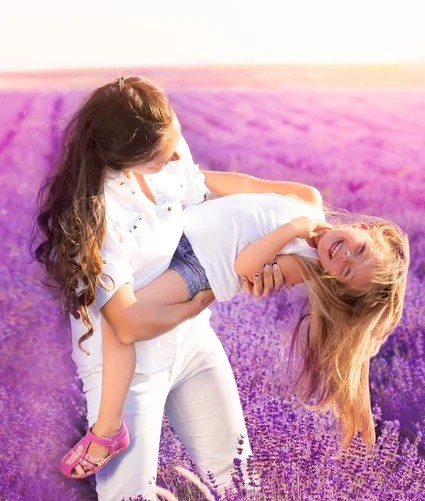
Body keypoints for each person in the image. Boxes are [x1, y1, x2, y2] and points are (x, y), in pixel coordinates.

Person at [32, 76, 286, 501]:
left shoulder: (169, 153)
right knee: (128, 496)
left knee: (240, 483)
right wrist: (209, 293)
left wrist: (291, 207)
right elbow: (127, 326)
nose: (174, 156)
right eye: (159, 157)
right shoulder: (92, 216)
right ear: (122, 160)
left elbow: (205, 193)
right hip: (128, 372)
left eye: (175, 140)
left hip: (191, 342)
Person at [58, 173, 410, 480]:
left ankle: (107, 431)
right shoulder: (309, 197)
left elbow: (244, 265)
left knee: (120, 320)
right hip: (180, 223)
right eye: (359, 249)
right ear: (365, 229)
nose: (344, 257)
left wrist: (297, 229)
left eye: (347, 271)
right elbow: (249, 185)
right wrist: (190, 176)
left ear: (337, 281)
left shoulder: (306, 264)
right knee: (103, 243)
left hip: (195, 269)